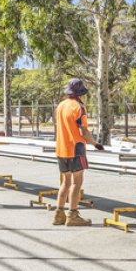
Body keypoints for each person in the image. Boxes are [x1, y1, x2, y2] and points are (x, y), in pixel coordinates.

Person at [53, 78, 103, 227]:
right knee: (76, 183)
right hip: (75, 148)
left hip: (61, 148)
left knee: (65, 182)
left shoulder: (61, 105)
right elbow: (84, 131)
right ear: (80, 92)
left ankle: (58, 213)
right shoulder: (79, 107)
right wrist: (95, 143)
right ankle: (73, 214)